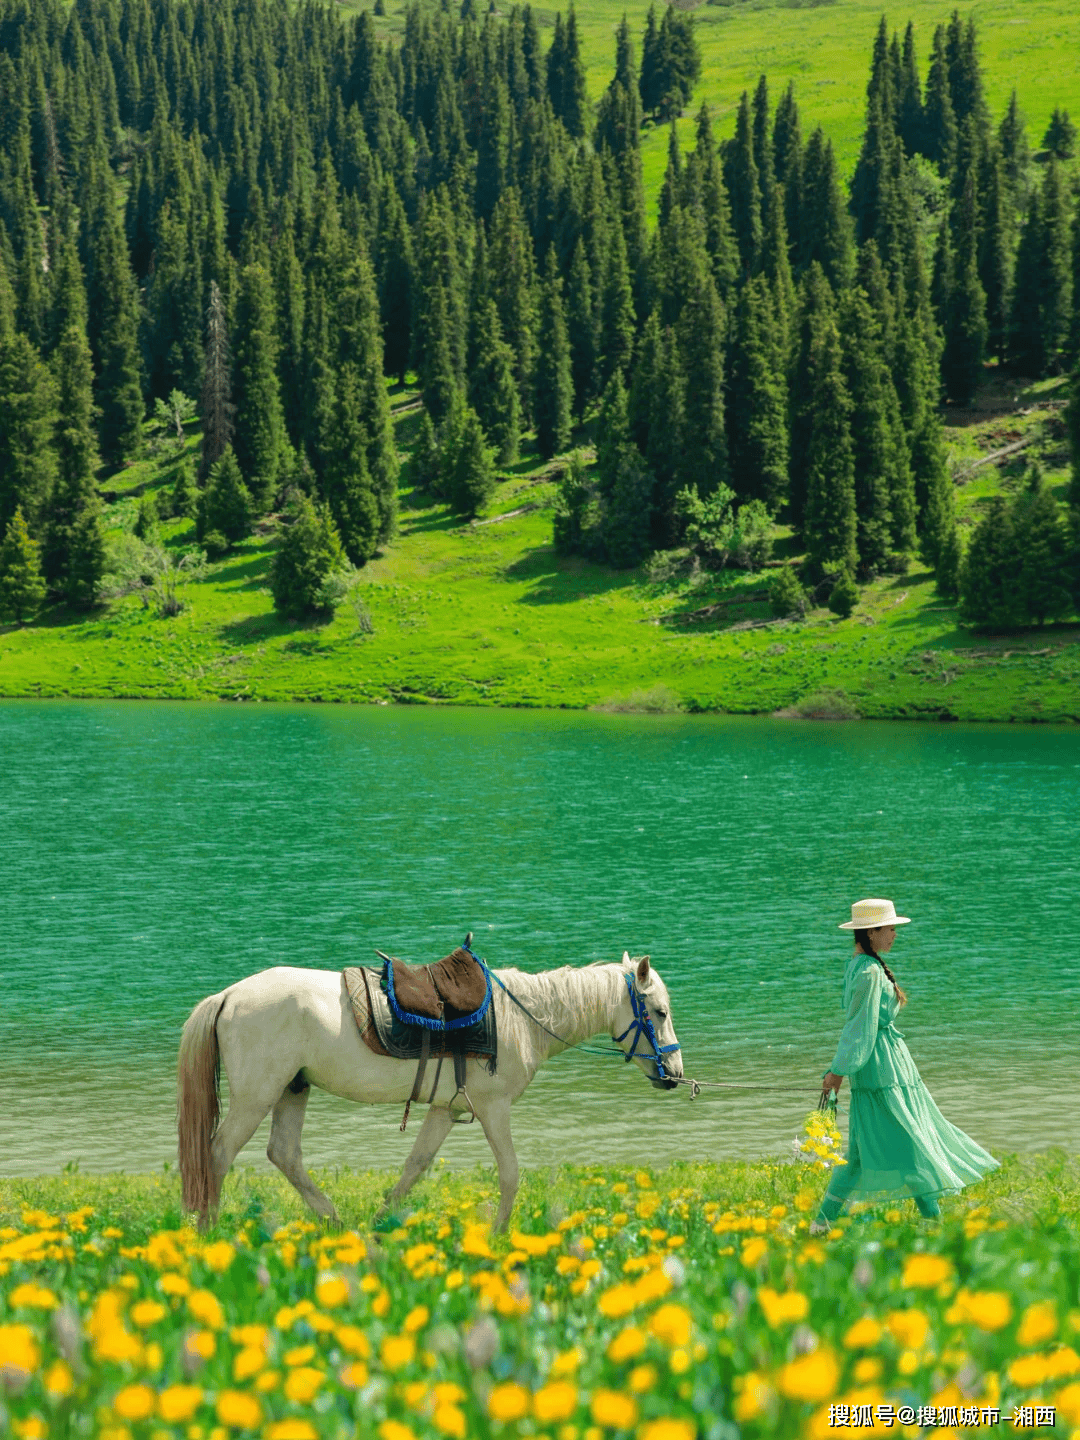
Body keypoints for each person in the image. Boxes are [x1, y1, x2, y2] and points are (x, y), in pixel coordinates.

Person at [809, 897, 999, 1235]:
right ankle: (933, 1226)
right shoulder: (868, 971)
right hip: (884, 1070)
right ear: (873, 931)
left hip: (883, 1066)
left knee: (866, 1152)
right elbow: (858, 1026)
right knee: (910, 1144)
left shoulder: (862, 965)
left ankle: (822, 1223)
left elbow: (858, 1025)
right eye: (891, 928)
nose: (895, 934)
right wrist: (837, 1071)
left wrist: (840, 1068)